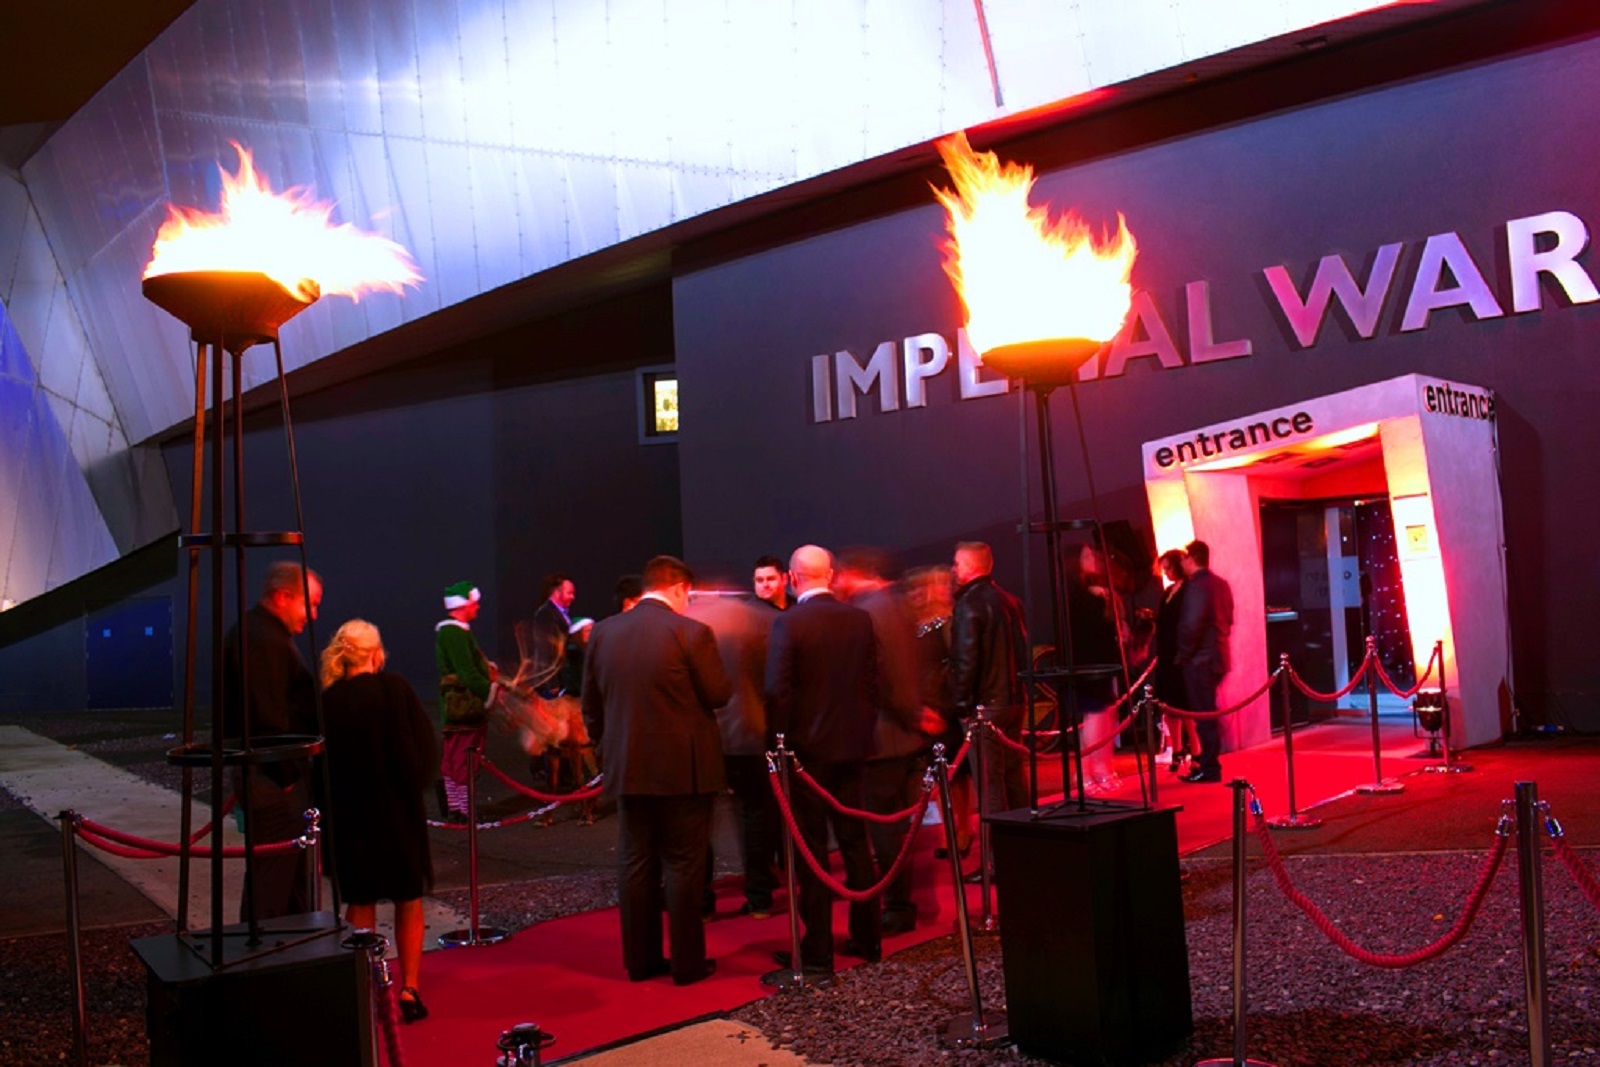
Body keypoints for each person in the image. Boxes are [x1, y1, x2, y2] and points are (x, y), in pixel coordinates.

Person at [582, 555, 731, 985]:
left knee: (635, 861)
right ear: (680, 588)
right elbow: (718, 693)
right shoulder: (692, 633)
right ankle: (687, 964)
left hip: (628, 767)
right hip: (685, 771)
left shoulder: (605, 633)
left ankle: (641, 961)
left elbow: (591, 705)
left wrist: (607, 748)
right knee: (684, 865)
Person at [765, 544, 881, 975]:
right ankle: (868, 938)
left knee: (812, 853)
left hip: (806, 757)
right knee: (856, 845)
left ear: (793, 578)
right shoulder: (860, 620)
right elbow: (872, 682)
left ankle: (817, 951)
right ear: (829, 575)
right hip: (852, 749)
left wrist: (779, 746)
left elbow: (779, 692)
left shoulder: (788, 623)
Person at [319, 620, 436, 1024]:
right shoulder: (396, 690)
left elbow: (321, 769)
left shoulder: (330, 701)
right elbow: (423, 752)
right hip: (398, 811)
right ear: (375, 653)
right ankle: (410, 987)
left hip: (352, 816)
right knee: (409, 899)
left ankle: (365, 990)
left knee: (361, 901)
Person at [835, 547, 941, 936]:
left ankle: (897, 906)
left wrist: (910, 712)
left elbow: (882, 677)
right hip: (904, 735)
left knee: (885, 830)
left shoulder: (866, 612)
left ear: (849, 574)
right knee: (897, 826)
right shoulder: (895, 607)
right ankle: (900, 902)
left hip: (883, 737)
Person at [221, 560, 323, 922]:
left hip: (272, 779)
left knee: (288, 883)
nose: (311, 615)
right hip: (273, 782)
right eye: (308, 604)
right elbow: (268, 718)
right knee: (272, 886)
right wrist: (289, 777)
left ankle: (290, 957)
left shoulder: (259, 635)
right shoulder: (263, 642)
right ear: (283, 597)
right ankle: (260, 962)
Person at [684, 584, 780, 920]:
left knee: (699, 819)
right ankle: (759, 897)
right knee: (754, 813)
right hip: (749, 730)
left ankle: (703, 901)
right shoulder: (755, 620)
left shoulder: (686, 622)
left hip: (704, 736)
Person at [949, 541, 1029, 838]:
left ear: (970, 566)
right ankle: (1029, 846)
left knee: (990, 785)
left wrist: (961, 705)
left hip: (985, 706)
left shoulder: (969, 604)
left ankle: (999, 860)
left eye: (957, 563)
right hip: (1013, 700)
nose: (953, 569)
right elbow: (1022, 653)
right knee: (1013, 778)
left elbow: (965, 659)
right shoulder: (1010, 600)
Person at [436, 581, 497, 822]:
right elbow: (467, 672)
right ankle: (463, 810)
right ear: (463, 605)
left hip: (457, 709)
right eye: (474, 602)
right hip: (465, 707)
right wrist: (488, 691)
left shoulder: (454, 632)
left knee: (454, 759)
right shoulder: (455, 634)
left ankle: (457, 807)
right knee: (464, 760)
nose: (478, 607)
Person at [1069, 543, 1127, 796]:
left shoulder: (1095, 591)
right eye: (1086, 555)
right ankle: (1085, 772)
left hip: (1102, 663)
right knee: (1094, 718)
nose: (1092, 558)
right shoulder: (1079, 594)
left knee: (1104, 717)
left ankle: (1102, 768)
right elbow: (1091, 630)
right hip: (1088, 665)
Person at [1176, 540, 1234, 784]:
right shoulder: (1221, 585)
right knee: (1207, 712)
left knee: (1204, 714)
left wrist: (1183, 655)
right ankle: (1210, 763)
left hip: (1200, 659)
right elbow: (1228, 619)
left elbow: (1191, 626)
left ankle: (1210, 766)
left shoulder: (1197, 587)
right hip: (1218, 655)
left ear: (1191, 559)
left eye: (1184, 559)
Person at [1152, 549, 1200, 773]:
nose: (1166, 573)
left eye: (1169, 568)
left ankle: (1196, 748)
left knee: (1186, 704)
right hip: (1167, 654)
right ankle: (1178, 749)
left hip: (1183, 654)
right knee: (1170, 706)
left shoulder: (1190, 589)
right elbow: (1165, 621)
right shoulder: (1169, 591)